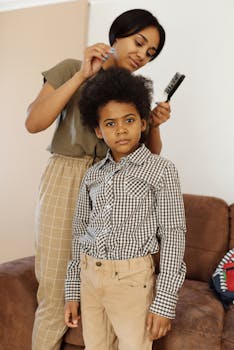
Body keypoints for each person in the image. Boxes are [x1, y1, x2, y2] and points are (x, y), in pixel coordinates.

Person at [25, 9, 171, 350]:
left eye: (150, 53)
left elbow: (148, 158)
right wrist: (80, 75)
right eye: (139, 42)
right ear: (117, 35)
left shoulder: (135, 92)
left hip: (113, 180)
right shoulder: (68, 68)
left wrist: (155, 126)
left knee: (98, 290)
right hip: (68, 175)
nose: (142, 54)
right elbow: (33, 122)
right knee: (54, 290)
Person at [64, 67, 186, 350]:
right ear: (98, 130)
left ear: (143, 122)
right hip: (90, 276)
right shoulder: (92, 175)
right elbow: (79, 231)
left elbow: (174, 234)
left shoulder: (161, 170)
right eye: (110, 123)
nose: (120, 129)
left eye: (128, 120)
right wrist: (72, 290)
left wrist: (165, 301)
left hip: (132, 281)